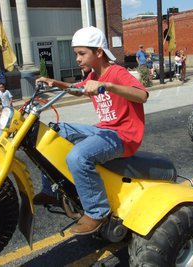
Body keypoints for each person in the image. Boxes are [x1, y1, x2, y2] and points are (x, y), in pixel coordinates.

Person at [35, 26, 148, 235]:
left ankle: (97, 212)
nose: (77, 59)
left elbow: (142, 96)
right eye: (76, 54)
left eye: (81, 53)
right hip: (103, 130)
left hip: (124, 136)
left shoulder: (116, 73)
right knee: (55, 131)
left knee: (78, 156)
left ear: (98, 52)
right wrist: (54, 82)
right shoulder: (93, 75)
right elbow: (78, 90)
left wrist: (108, 86)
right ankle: (51, 191)